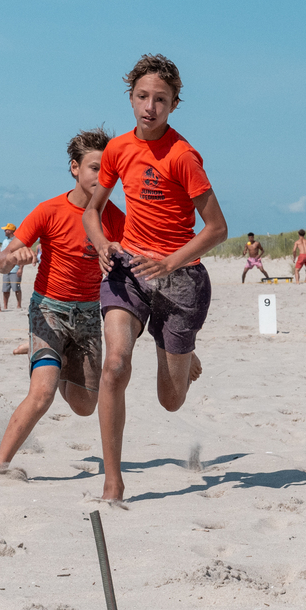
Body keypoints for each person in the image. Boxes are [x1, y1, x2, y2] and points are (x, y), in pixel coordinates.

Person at [84, 54, 229, 502]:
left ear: (174, 104)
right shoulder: (117, 149)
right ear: (131, 99)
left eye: (161, 100)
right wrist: (104, 244)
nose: (151, 107)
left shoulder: (183, 156)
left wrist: (170, 263)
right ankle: (113, 480)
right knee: (115, 366)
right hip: (127, 272)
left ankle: (185, 360)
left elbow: (217, 229)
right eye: (143, 97)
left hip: (180, 281)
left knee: (171, 399)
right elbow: (92, 211)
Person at [0, 128, 126, 474]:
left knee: (85, 406)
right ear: (74, 168)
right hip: (49, 311)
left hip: (89, 317)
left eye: (108, 169)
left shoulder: (116, 219)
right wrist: (14, 255)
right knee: (43, 394)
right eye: (95, 167)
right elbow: (0, 262)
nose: (102, 176)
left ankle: (55, 357)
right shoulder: (48, 210)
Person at [0, 223, 24, 311]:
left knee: (16, 288)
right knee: (5, 289)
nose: (4, 231)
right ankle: (5, 306)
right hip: (6, 269)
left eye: (6, 230)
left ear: (11, 231)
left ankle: (19, 305)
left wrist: (21, 268)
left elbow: (22, 255)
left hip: (15, 269)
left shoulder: (17, 241)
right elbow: (1, 255)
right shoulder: (5, 241)